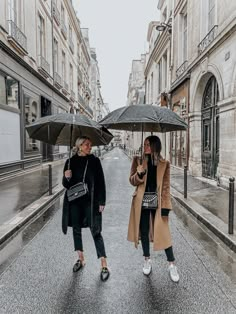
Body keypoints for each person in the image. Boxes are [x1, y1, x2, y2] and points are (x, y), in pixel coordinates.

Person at [127, 135, 179, 282]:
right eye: (144, 144)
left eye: (149, 144)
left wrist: (166, 207)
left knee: (163, 233)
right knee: (144, 231)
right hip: (141, 202)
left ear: (156, 146)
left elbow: (166, 187)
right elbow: (131, 180)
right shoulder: (138, 160)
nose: (146, 147)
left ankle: (171, 264)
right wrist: (139, 173)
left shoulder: (164, 163)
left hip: (158, 203)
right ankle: (147, 259)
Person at [62, 136, 110, 281]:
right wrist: (66, 177)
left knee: (95, 230)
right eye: (87, 144)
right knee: (76, 229)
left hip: (91, 202)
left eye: (90, 144)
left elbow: (101, 182)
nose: (90, 147)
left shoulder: (94, 161)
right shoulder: (70, 162)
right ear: (79, 146)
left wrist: (102, 201)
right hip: (75, 202)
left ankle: (104, 264)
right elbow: (66, 185)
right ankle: (81, 259)